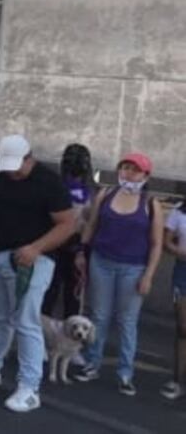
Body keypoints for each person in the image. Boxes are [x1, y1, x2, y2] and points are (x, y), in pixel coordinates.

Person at [0, 135, 75, 413]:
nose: (11, 172)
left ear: (29, 158)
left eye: (17, 166)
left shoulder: (49, 182)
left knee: (26, 320)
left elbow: (67, 224)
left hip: (35, 260)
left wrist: (36, 248)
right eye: (6, 165)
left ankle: (30, 387)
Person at [74, 153, 164, 395]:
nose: (128, 173)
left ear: (146, 175)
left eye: (135, 170)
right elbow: (91, 226)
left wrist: (148, 276)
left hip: (133, 268)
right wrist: (82, 252)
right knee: (99, 316)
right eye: (124, 168)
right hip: (101, 262)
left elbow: (157, 243)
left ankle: (125, 373)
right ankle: (92, 363)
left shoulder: (150, 202)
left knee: (127, 321)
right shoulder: (105, 194)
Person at [42, 144, 95, 318]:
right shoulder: (55, 186)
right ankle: (41, 338)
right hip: (54, 245)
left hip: (77, 248)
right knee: (48, 294)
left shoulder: (93, 192)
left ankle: (69, 341)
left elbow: (92, 223)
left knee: (72, 297)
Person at [161, 202, 186, 401]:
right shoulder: (179, 210)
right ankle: (177, 380)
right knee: (182, 328)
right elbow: (166, 240)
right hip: (183, 271)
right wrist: (180, 252)